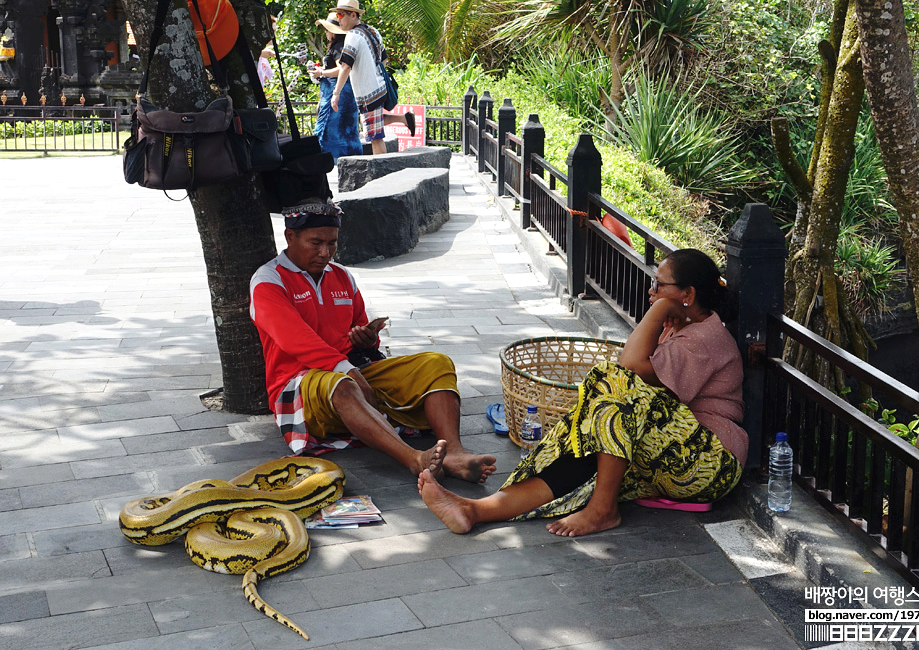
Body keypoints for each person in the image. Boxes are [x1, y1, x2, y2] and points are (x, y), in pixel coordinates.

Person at [418, 248, 746, 536]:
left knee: (612, 382)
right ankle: (474, 511)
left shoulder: (703, 338)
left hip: (710, 462)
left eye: (659, 285)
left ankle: (603, 510)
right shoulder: (683, 329)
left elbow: (629, 368)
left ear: (686, 294)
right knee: (588, 447)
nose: (651, 291)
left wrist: (660, 309)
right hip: (673, 452)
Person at [249, 201, 497, 483]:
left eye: (332, 243)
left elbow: (358, 325)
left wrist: (367, 338)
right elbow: (293, 339)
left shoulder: (341, 276)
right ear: (290, 237)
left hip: (353, 371)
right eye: (315, 243)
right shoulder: (268, 280)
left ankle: (454, 452)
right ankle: (413, 458)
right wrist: (348, 370)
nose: (324, 252)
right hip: (299, 384)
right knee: (342, 384)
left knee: (435, 364)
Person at [328, 0, 415, 155]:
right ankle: (404, 119)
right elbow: (384, 59)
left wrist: (336, 93)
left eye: (341, 15)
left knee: (375, 137)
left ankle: (381, 175)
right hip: (380, 87)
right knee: (373, 124)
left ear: (353, 15)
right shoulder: (373, 31)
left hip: (368, 93)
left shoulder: (352, 36)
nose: (338, 19)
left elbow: (345, 66)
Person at [308, 14, 362, 163]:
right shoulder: (344, 44)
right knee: (346, 130)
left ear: (333, 31)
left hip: (337, 94)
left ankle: (325, 160)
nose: (325, 33)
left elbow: (342, 68)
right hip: (345, 94)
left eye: (327, 30)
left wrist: (322, 72)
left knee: (326, 130)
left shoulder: (339, 46)